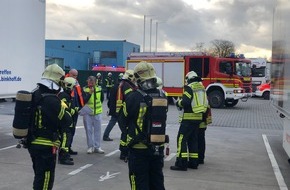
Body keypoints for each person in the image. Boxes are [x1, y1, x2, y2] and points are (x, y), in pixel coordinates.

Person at [119, 61, 168, 190]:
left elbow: (122, 121)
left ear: (137, 78)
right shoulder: (163, 95)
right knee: (157, 182)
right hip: (158, 148)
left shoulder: (133, 97)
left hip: (138, 149)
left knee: (139, 183)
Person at [27, 64, 72, 190]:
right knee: (46, 180)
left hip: (33, 142)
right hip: (46, 145)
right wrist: (64, 105)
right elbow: (66, 120)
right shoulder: (52, 100)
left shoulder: (35, 93)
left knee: (39, 176)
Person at [170, 71, 208, 171]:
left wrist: (178, 103)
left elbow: (186, 102)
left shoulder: (189, 87)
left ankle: (181, 163)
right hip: (198, 118)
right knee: (193, 140)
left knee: (181, 139)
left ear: (189, 79)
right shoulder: (202, 87)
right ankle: (193, 162)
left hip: (188, 118)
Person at [80, 76, 105, 154]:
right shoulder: (84, 89)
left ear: (95, 82)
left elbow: (102, 99)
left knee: (98, 130)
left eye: (92, 82)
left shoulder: (99, 89)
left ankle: (97, 147)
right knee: (89, 130)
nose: (90, 84)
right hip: (87, 113)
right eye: (89, 82)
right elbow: (83, 100)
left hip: (97, 112)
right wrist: (90, 93)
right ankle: (90, 147)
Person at [116, 69, 137, 160]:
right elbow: (130, 98)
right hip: (124, 113)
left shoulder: (124, 84)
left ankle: (124, 151)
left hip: (123, 112)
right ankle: (124, 152)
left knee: (125, 132)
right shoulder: (126, 85)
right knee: (126, 133)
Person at [57, 77, 78, 165]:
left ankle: (66, 154)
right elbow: (65, 109)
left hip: (68, 122)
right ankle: (63, 157)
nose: (73, 89)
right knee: (65, 139)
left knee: (67, 138)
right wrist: (73, 110)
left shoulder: (67, 95)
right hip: (65, 123)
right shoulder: (63, 96)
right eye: (73, 87)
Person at [65, 68, 85, 155]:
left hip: (75, 109)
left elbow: (79, 94)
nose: (75, 77)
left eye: (76, 75)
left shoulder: (76, 82)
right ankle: (65, 149)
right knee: (67, 131)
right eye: (73, 75)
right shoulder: (66, 81)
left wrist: (80, 106)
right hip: (68, 110)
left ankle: (69, 147)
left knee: (72, 130)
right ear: (69, 74)